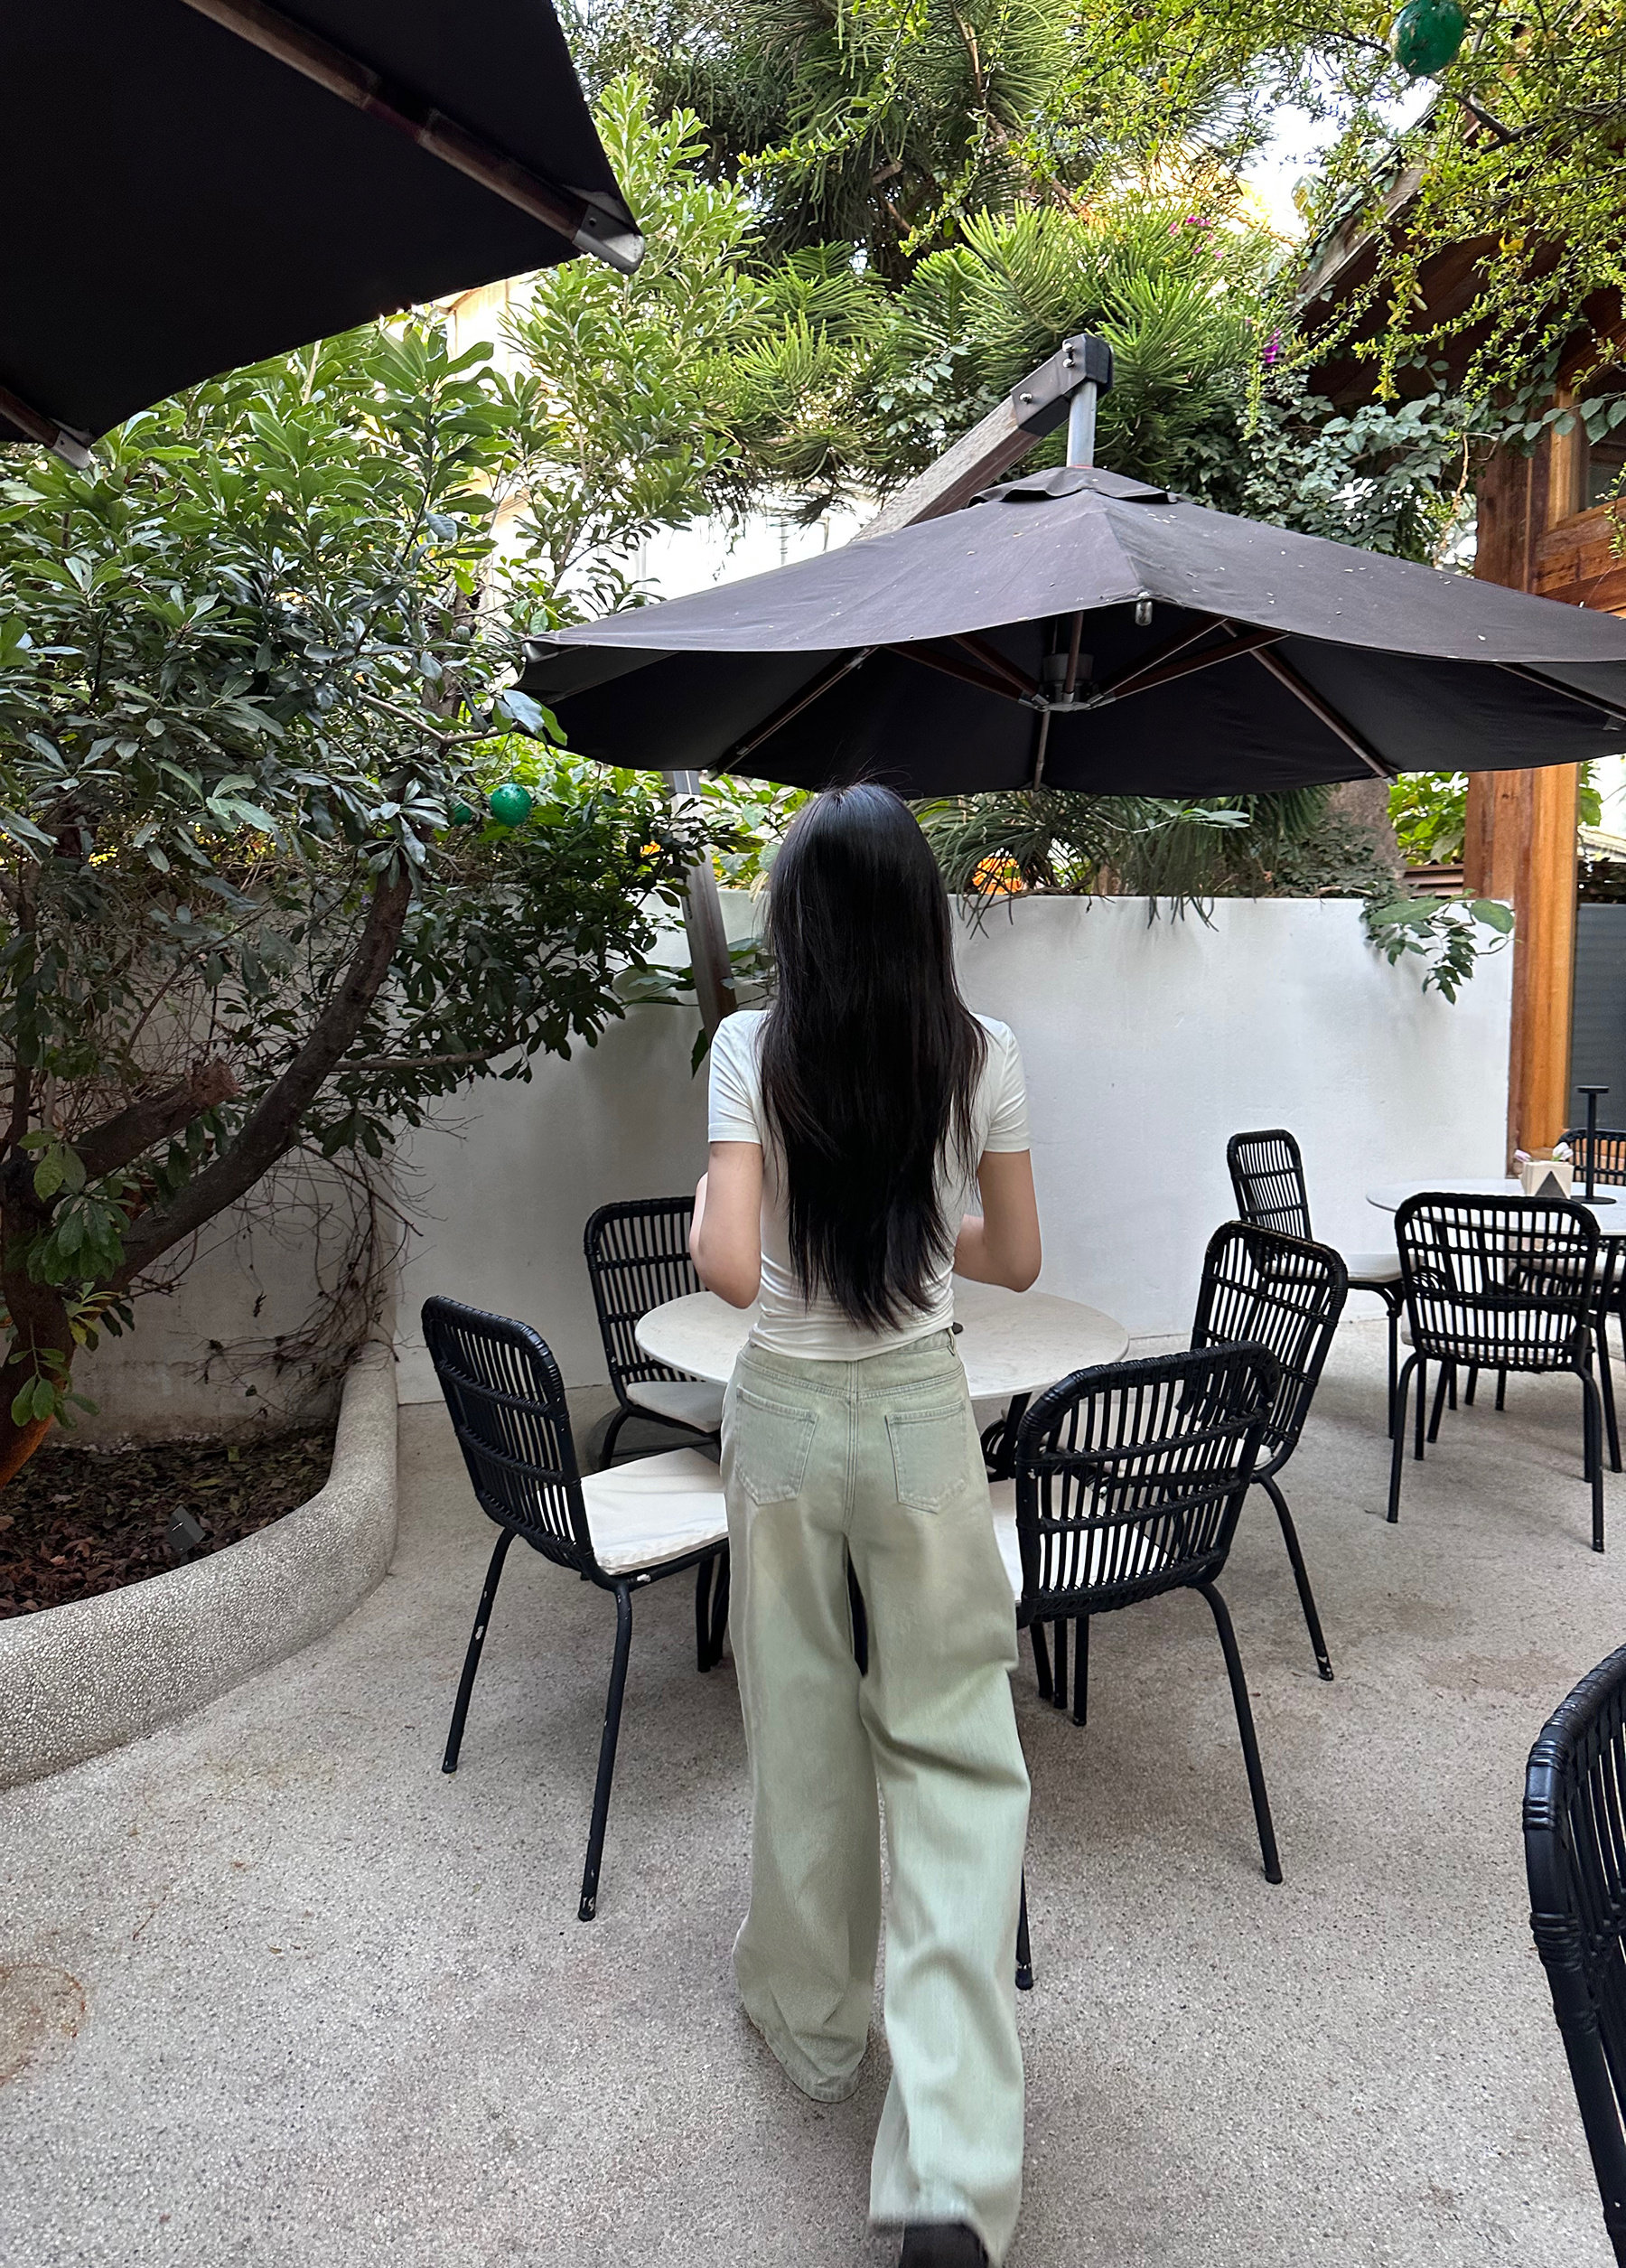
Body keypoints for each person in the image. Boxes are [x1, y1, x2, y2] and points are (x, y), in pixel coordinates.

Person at [689, 783, 1041, 2268]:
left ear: (798, 921)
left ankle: (815, 2020)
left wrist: (733, 1201)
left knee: (800, 1718)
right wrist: (921, 1212)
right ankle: (948, 2169)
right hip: (918, 1420)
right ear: (920, 912)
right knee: (956, 1749)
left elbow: (725, 1267)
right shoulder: (984, 1052)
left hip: (780, 1418)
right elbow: (1016, 1259)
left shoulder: (749, 1048)